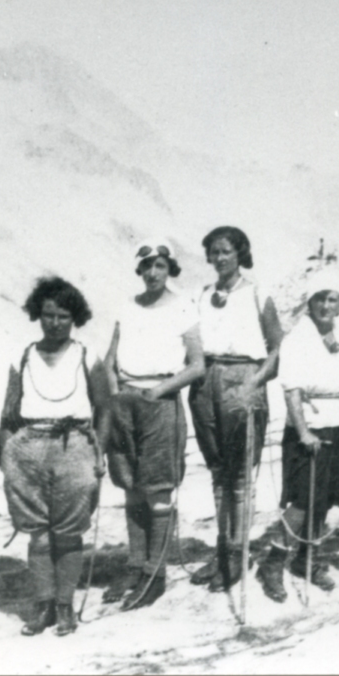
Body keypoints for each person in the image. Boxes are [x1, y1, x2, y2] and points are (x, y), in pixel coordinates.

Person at [0, 277, 109, 636]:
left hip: (75, 445)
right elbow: (8, 411)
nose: (55, 322)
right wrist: (11, 453)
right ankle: (43, 608)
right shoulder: (22, 354)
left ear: (76, 318)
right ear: (37, 315)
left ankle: (65, 607)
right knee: (38, 534)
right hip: (28, 446)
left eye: (63, 316)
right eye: (47, 315)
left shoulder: (87, 355)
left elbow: (104, 407)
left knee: (68, 532)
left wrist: (98, 453)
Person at [255, 268, 339, 599]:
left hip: (338, 422)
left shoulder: (337, 334)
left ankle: (306, 559)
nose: (326, 306)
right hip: (309, 428)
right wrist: (303, 432)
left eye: (333, 299)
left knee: (324, 497)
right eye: (320, 299)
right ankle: (272, 562)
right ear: (309, 302)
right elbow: (292, 391)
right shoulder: (298, 338)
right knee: (302, 500)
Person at [101, 239, 205, 610]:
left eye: (160, 266)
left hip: (160, 402)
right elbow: (110, 359)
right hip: (126, 402)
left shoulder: (183, 307)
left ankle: (155, 575)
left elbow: (196, 364)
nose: (152, 273)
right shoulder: (127, 307)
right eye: (146, 267)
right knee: (130, 486)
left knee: (158, 490)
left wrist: (158, 391)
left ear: (170, 269)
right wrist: (116, 396)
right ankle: (135, 565)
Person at [188, 226, 283, 591]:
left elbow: (277, 350)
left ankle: (237, 555)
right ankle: (221, 551)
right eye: (214, 251)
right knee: (218, 473)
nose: (220, 258)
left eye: (227, 251)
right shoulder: (202, 294)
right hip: (205, 381)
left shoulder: (258, 293)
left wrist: (252, 384)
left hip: (244, 379)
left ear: (240, 253)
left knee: (240, 476)